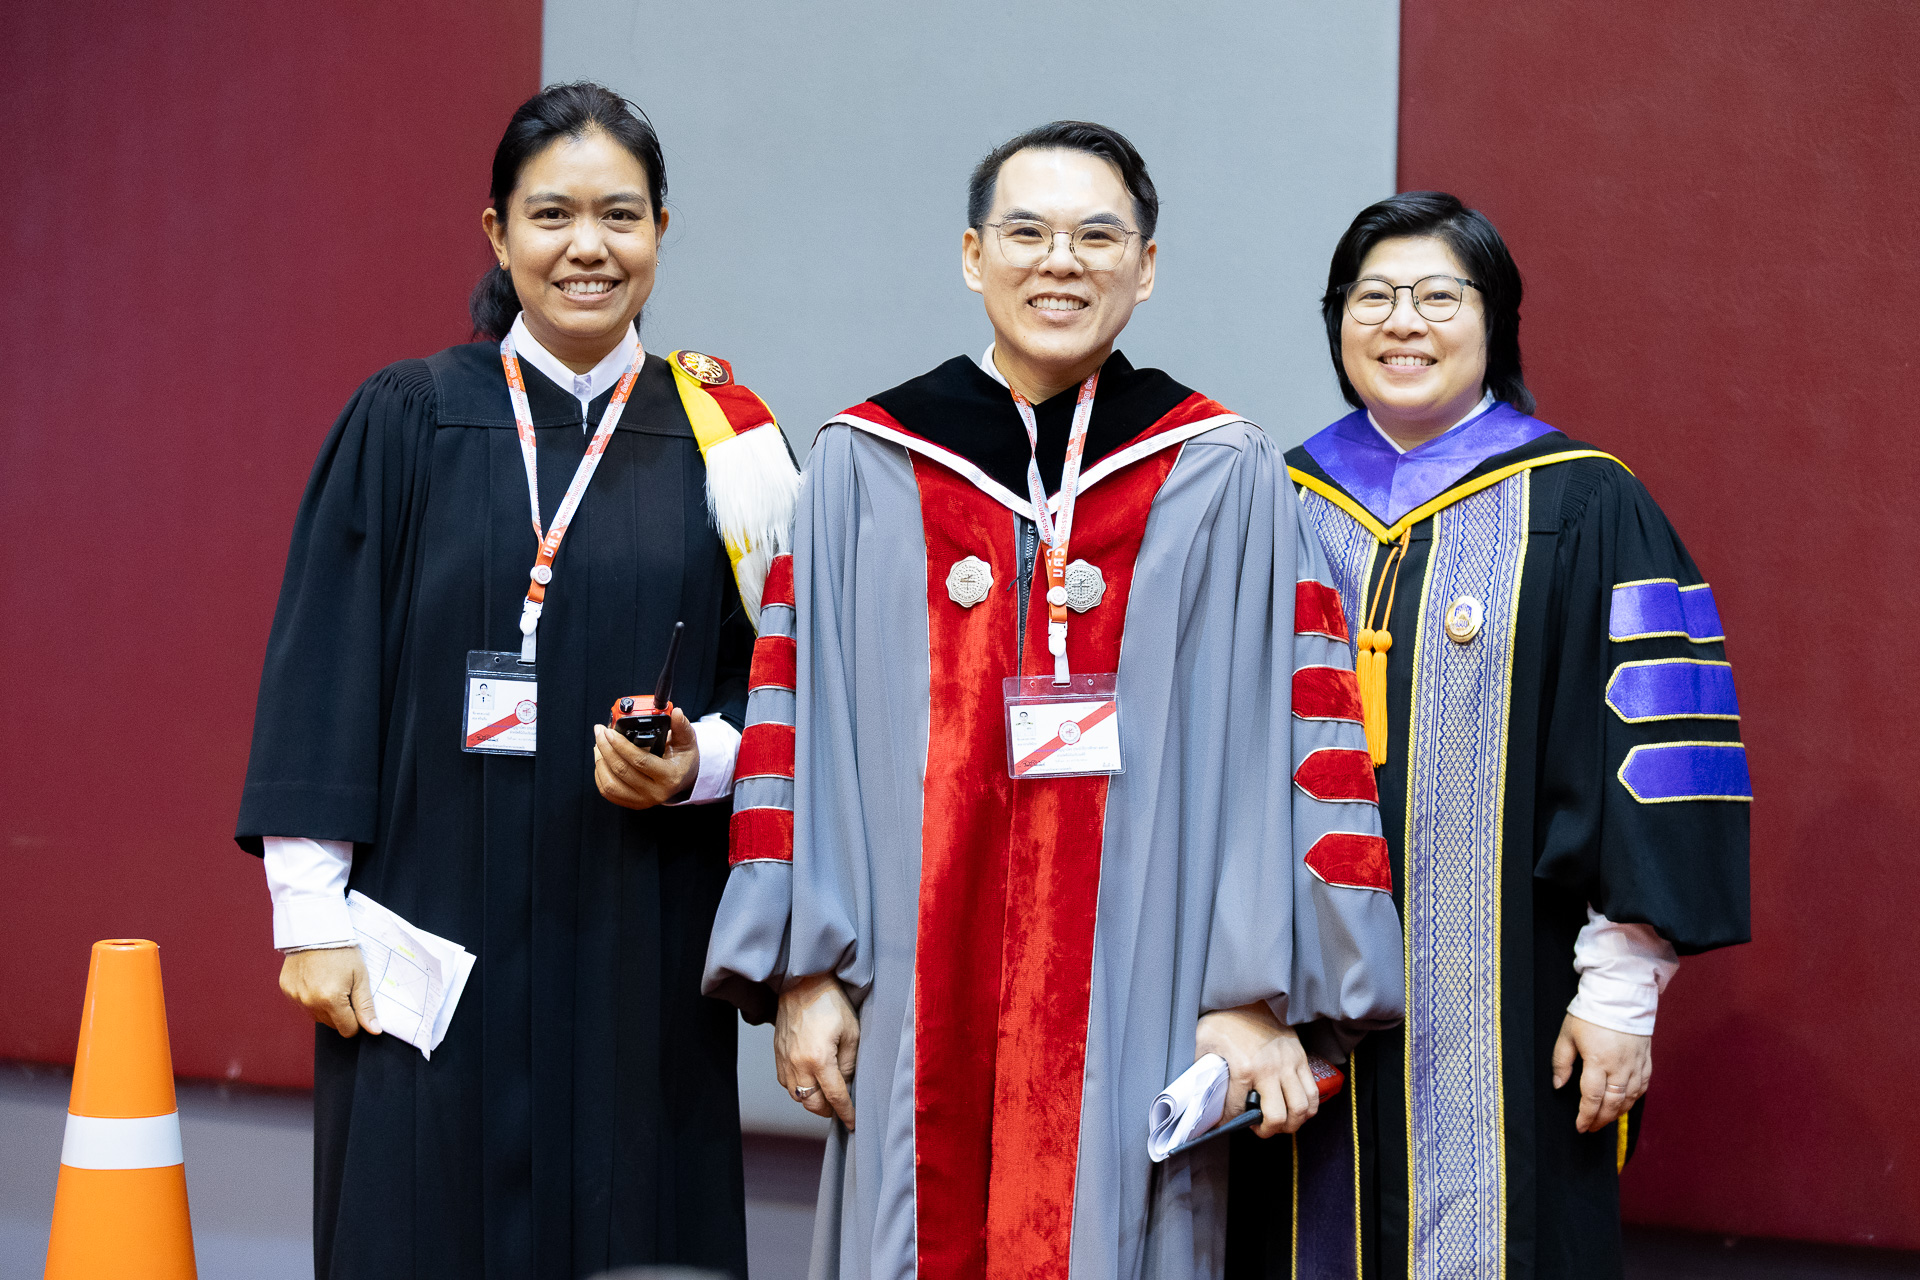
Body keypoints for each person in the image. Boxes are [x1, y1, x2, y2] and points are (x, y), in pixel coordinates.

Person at [702, 121, 1405, 1280]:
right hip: (907, 1006)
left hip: (1142, 1005)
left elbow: (1284, 744)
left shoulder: (1222, 473)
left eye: (1097, 236)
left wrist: (1251, 994)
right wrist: (805, 971)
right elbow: (796, 730)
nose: (1060, 262)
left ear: (1147, 265)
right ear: (973, 255)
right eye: (1027, 232)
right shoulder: (865, 466)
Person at [236, 82, 797, 1280]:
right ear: (498, 233)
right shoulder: (409, 418)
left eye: (620, 215)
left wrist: (702, 762)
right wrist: (309, 917)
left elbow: (786, 687)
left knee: (634, 1226)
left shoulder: (731, 443)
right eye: (552, 215)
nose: (588, 246)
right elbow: (326, 665)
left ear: (660, 231)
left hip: (639, 935)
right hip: (426, 935)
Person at [1226, 192, 1751, 1278]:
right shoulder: (1275, 502)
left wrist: (1622, 991)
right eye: (1372, 296)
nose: (1402, 322)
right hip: (1299, 1004)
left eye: (1438, 296)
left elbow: (1658, 756)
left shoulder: (1586, 502)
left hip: (1520, 1004)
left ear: (1495, 319)